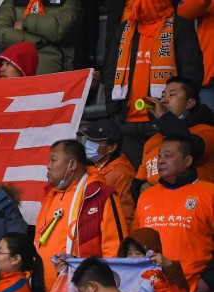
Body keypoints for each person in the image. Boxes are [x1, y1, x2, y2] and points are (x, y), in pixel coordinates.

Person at [103, 0, 203, 166]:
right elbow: (110, 71)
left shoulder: (180, 26)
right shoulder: (123, 30)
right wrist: (113, 112)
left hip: (163, 123)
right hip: (125, 123)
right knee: (134, 183)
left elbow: (191, 72)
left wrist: (171, 117)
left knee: (161, 178)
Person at [35, 140, 126, 292]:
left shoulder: (100, 195)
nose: (48, 166)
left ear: (72, 165)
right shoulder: (49, 195)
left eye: (53, 160)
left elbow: (115, 249)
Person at [134, 135, 214, 292]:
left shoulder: (209, 193)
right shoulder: (146, 196)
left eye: (168, 156)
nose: (161, 161)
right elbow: (135, 244)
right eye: (159, 156)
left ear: (187, 161)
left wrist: (208, 280)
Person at [136, 77, 214, 187]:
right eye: (162, 96)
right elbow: (139, 178)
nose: (164, 100)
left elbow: (190, 147)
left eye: (172, 95)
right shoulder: (152, 141)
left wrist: (164, 117)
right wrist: (141, 186)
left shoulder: (207, 131)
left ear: (190, 103)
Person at [81, 119, 138, 230]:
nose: (88, 144)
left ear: (112, 147)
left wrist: (122, 245)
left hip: (108, 237)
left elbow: (126, 216)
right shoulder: (88, 168)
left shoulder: (123, 172)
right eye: (88, 139)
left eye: (95, 141)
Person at [0, 0, 77, 75]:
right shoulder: (12, 1)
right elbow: (2, 34)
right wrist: (42, 38)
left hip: (51, 65)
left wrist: (24, 24)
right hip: (16, 67)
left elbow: (60, 29)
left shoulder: (67, 2)